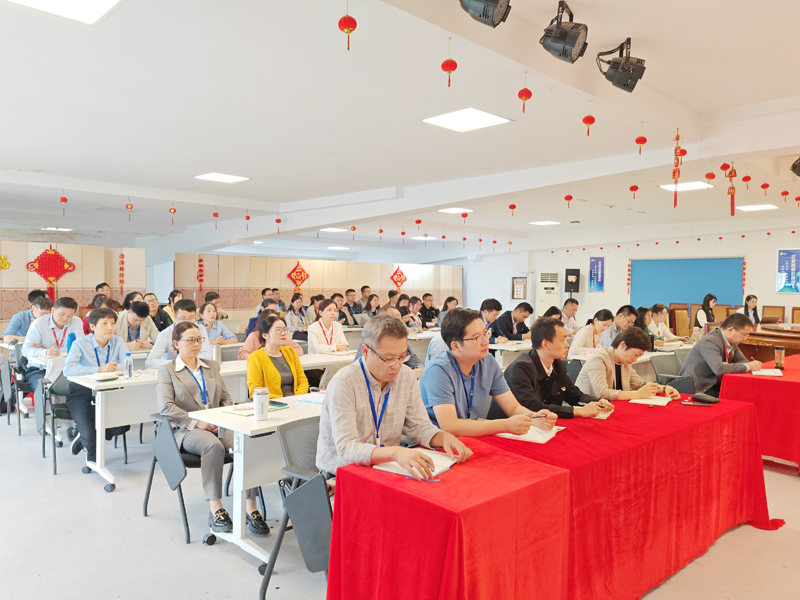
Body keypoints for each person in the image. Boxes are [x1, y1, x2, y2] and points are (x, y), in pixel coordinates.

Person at [316, 314, 472, 478]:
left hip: (387, 468)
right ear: (366, 351)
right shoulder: (344, 382)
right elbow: (346, 448)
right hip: (341, 474)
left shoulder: (406, 376)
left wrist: (443, 437)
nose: (396, 366)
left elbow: (419, 426)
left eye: (402, 356)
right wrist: (395, 453)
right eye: (389, 359)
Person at [157, 322, 268, 536]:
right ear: (176, 344)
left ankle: (250, 507)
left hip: (218, 424)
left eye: (199, 339)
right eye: (190, 340)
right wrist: (197, 422)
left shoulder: (211, 366)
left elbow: (226, 398)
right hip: (187, 429)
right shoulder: (167, 371)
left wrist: (222, 419)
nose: (196, 344)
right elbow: (166, 407)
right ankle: (215, 508)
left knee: (245, 442)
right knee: (213, 446)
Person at [420, 308, 557, 436]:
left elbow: (513, 407)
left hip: (467, 436)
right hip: (433, 441)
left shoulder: (488, 362)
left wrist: (534, 418)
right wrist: (505, 425)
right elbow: (450, 426)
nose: (485, 341)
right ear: (455, 346)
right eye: (476, 338)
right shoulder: (438, 370)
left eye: (485, 333)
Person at [505, 317, 613, 418]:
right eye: (562, 340)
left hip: (547, 424)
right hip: (517, 426)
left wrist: (596, 401)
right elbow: (532, 407)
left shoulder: (557, 365)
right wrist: (577, 411)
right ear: (546, 344)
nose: (567, 345)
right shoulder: (521, 368)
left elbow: (574, 394)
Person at [63, 307, 131, 459]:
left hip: (109, 392)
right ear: (92, 327)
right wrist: (99, 369)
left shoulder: (118, 341)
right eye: (104, 323)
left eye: (112, 323)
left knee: (122, 426)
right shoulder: (80, 343)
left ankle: (82, 437)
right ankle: (94, 461)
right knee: (91, 435)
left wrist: (112, 368)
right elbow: (68, 369)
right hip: (82, 393)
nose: (110, 327)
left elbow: (128, 364)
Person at [576, 327, 680, 401]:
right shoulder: (599, 359)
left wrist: (663, 388)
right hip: (588, 408)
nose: (635, 360)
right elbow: (602, 393)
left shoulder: (624, 362)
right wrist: (638, 394)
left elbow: (639, 384)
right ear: (622, 345)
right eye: (636, 354)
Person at [679, 313, 762, 397]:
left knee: (747, 392)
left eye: (747, 335)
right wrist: (748, 366)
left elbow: (743, 361)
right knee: (738, 396)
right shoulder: (711, 341)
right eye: (744, 334)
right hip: (699, 388)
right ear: (730, 330)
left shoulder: (732, 342)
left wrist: (728, 366)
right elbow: (719, 369)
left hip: (715, 384)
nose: (745, 338)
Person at [22, 297, 84, 393]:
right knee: (44, 388)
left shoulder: (76, 322)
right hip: (40, 369)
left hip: (66, 367)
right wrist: (45, 352)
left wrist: (55, 350)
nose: (65, 318)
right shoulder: (39, 324)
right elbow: (25, 350)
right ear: (53, 310)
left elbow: (80, 346)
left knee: (81, 387)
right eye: (62, 314)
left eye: (70, 315)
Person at [246, 315, 308, 398]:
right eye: (278, 330)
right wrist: (282, 401)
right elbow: (255, 391)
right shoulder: (256, 357)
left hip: (296, 400)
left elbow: (302, 380)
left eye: (285, 329)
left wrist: (296, 398)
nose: (283, 333)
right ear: (265, 335)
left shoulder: (290, 352)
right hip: (273, 403)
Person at [353, 306, 424, 378]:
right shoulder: (370, 343)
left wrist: (409, 374)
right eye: (391, 321)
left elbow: (417, 364)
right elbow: (362, 372)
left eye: (400, 320)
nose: (398, 324)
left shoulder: (400, 341)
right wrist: (404, 375)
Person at [146, 299, 212, 368]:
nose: (187, 322)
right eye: (182, 318)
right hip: (173, 369)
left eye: (191, 318)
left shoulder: (200, 329)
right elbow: (150, 362)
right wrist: (179, 363)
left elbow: (207, 354)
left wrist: (190, 362)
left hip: (195, 368)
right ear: (175, 317)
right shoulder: (165, 334)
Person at [238, 309, 304, 360]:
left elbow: (298, 350)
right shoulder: (254, 336)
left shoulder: (282, 336)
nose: (275, 322)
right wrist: (259, 358)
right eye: (271, 320)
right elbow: (242, 354)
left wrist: (279, 357)